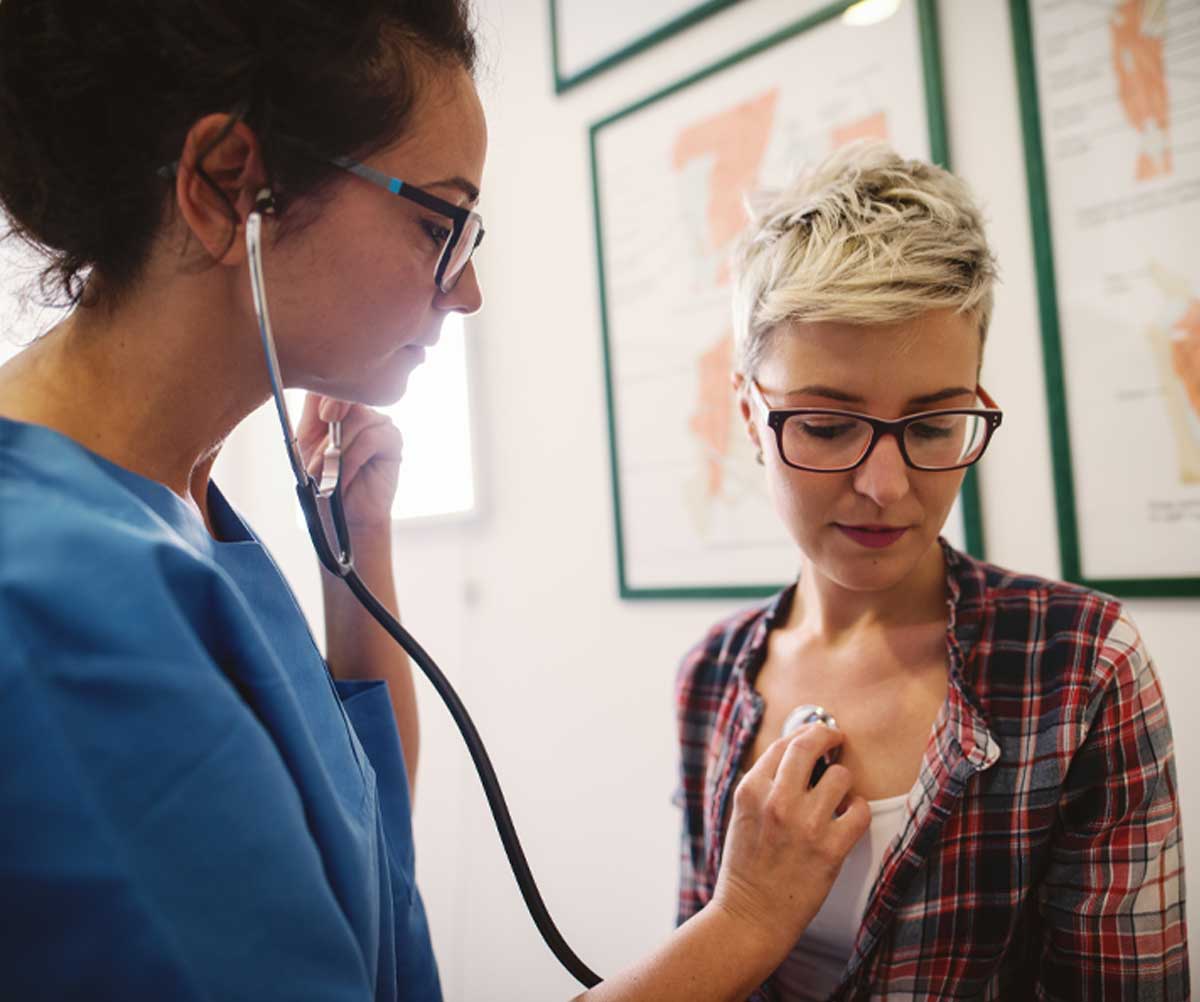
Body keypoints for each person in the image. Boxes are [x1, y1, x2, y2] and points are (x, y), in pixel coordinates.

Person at [0, 2, 871, 1000]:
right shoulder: (54, 598)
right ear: (229, 186)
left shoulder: (178, 504)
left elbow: (358, 846)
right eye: (436, 224)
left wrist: (359, 547)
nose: (466, 293)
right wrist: (747, 920)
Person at [674, 142, 1189, 1000]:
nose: (885, 487)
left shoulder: (1083, 668)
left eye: (934, 424)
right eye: (830, 427)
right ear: (748, 413)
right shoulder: (713, 680)